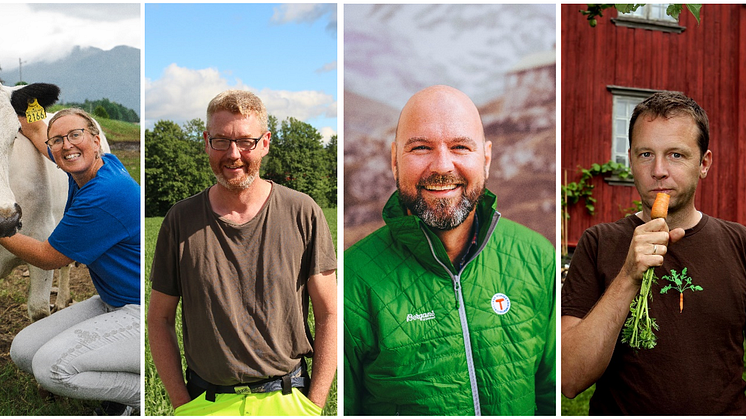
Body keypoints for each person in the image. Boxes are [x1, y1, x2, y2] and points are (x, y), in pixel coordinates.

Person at [344, 85, 556, 416]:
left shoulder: (537, 257)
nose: (442, 166)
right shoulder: (353, 278)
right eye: (420, 148)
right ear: (394, 160)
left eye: (460, 146)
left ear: (485, 158)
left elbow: (550, 396)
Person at [148, 89, 337, 416]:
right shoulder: (180, 220)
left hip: (287, 399)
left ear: (264, 142)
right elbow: (160, 318)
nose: (233, 154)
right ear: (207, 141)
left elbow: (329, 314)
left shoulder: (302, 213)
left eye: (246, 141)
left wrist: (313, 406)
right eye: (221, 140)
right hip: (205, 403)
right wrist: (182, 405)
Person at [561, 91, 746, 414]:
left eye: (676, 155)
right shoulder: (598, 242)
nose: (658, 170)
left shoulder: (739, 243)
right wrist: (628, 276)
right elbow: (571, 378)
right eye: (646, 154)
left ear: (704, 164)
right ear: (631, 158)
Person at [8, 108, 141, 415]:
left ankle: (135, 398)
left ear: (96, 141)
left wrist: (2, 229)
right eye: (59, 140)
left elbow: (47, 257)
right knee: (23, 351)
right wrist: (27, 117)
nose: (66, 145)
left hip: (138, 313)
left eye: (75, 136)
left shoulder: (105, 193)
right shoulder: (95, 166)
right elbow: (41, 134)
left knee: (49, 368)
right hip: (110, 301)